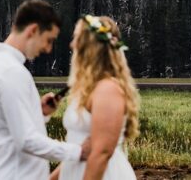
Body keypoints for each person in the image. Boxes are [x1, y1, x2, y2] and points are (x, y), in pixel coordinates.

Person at [0, 0, 90, 179]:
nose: (48, 49)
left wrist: (39, 113)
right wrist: (77, 152)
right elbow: (26, 140)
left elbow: (5, 128)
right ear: (33, 30)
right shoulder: (11, 72)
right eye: (48, 40)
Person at [50, 15, 140, 180]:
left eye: (76, 38)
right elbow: (81, 149)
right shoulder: (89, 89)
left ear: (89, 46)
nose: (72, 44)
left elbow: (102, 154)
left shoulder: (108, 90)